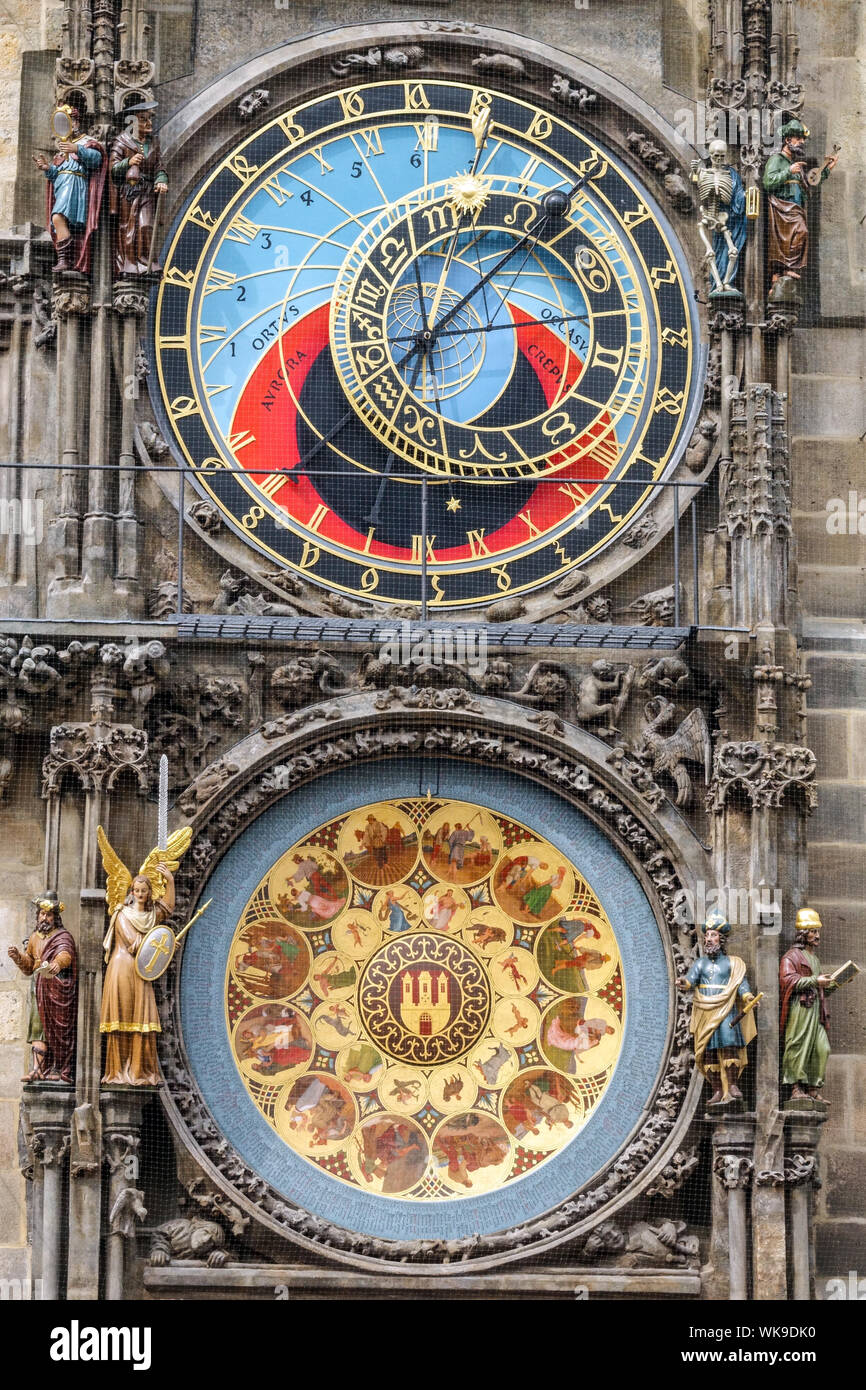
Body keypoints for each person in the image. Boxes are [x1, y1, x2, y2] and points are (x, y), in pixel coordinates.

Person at [100, 864, 174, 1085]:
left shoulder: (151, 916)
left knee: (143, 1019)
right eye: (137, 890)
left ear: (149, 892)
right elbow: (136, 944)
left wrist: (169, 880)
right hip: (123, 967)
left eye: (144, 890)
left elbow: (168, 907)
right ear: (131, 892)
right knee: (122, 1017)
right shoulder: (122, 915)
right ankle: (118, 1072)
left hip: (142, 972)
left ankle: (139, 1071)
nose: (140, 894)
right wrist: (164, 944)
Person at [677, 909, 758, 1104]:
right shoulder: (701, 963)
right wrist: (684, 983)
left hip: (727, 1010)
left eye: (713, 935)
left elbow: (740, 983)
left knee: (730, 1045)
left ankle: (731, 1084)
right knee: (708, 1050)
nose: (708, 940)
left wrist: (747, 996)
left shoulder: (733, 963)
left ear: (721, 939)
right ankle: (717, 1089)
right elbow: (691, 980)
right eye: (706, 936)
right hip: (706, 1010)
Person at [8, 891, 77, 1082]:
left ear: (55, 917)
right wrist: (17, 958)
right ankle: (38, 1069)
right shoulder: (34, 938)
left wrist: (58, 963)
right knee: (38, 1029)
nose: (44, 918)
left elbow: (66, 953)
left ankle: (59, 1068)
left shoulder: (62, 936)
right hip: (38, 989)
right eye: (41, 914)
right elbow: (29, 966)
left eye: (48, 914)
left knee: (58, 1030)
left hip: (56, 990)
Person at [763, 119, 837, 297]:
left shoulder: (796, 164)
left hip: (795, 209)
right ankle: (782, 270)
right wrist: (789, 171)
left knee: (798, 236)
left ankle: (781, 273)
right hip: (782, 209)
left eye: (803, 139)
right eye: (798, 138)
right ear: (788, 140)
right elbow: (767, 182)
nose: (802, 142)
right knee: (800, 233)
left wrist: (827, 169)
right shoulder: (777, 160)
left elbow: (809, 183)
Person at [33, 104, 106, 272]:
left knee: (58, 218)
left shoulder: (87, 142)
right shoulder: (62, 148)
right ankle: (67, 258)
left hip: (76, 186)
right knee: (59, 220)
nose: (68, 126)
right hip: (63, 186)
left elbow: (96, 160)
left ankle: (65, 258)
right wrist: (48, 169)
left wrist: (78, 149)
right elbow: (58, 174)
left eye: (71, 121)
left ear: (76, 123)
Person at [780, 908, 838, 1104]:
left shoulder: (815, 959)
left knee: (822, 1048)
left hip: (816, 1008)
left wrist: (833, 984)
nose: (817, 936)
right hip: (800, 1008)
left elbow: (818, 985)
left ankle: (813, 1087)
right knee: (797, 1044)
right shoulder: (792, 956)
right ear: (803, 934)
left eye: (817, 931)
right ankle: (795, 1087)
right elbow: (788, 980)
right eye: (813, 931)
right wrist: (815, 980)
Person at [109, 101, 168, 275]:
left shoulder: (154, 143)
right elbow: (112, 168)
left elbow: (160, 166)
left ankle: (147, 263)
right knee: (130, 227)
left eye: (149, 118)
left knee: (146, 225)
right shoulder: (122, 141)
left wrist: (161, 180)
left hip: (148, 191)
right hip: (129, 191)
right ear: (132, 122)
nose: (149, 123)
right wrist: (128, 162)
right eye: (143, 120)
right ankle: (129, 264)